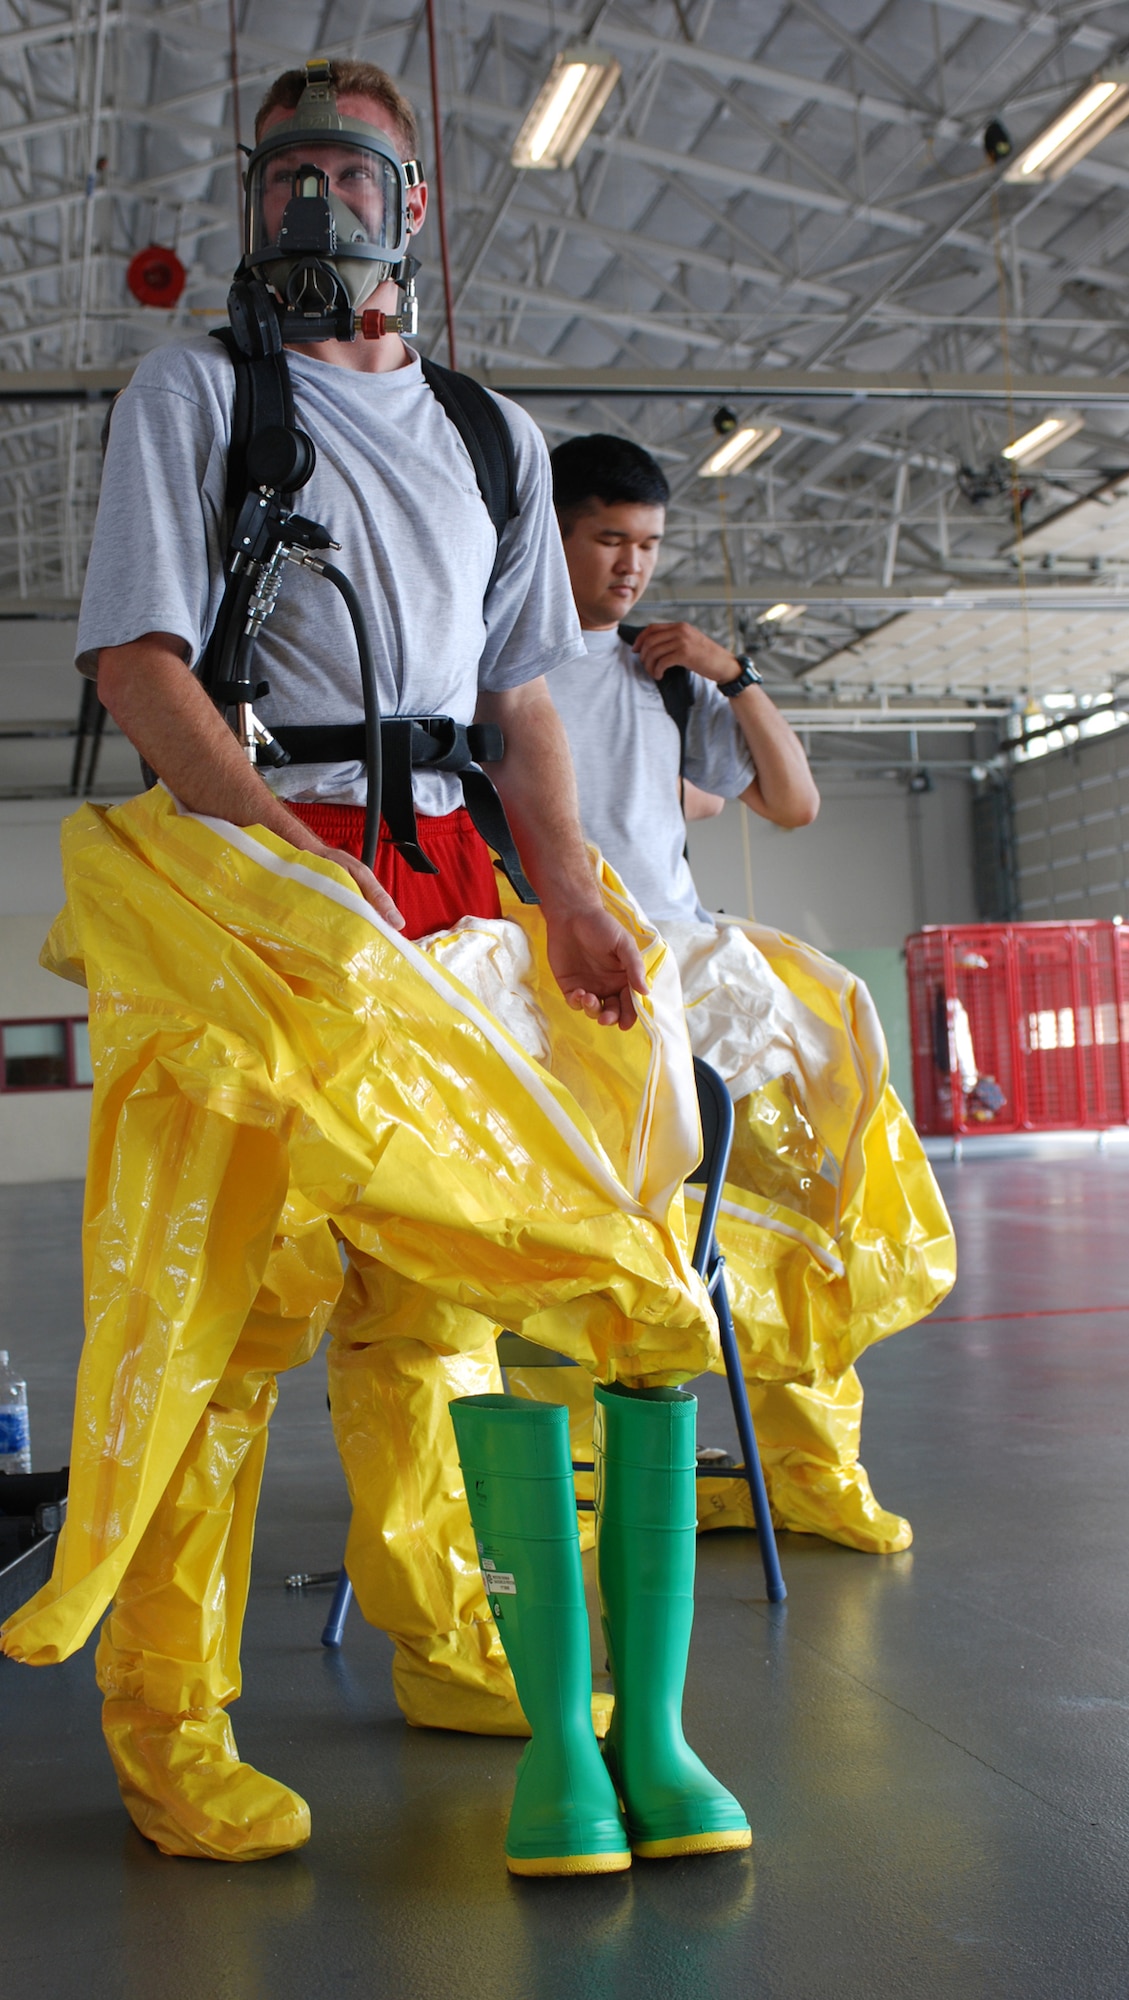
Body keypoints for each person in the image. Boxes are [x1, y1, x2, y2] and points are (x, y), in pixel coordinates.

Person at [1, 67, 748, 1874]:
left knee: (426, 1296)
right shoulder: (200, 394)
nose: (319, 209)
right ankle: (170, 1722)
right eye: (289, 179)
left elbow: (518, 707)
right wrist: (272, 852)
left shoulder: (491, 432)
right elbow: (140, 663)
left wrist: (564, 892)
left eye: (354, 175)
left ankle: (447, 1627)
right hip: (253, 866)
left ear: (413, 210)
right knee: (227, 1304)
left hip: (443, 874)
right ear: (254, 206)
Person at [523, 432, 956, 1555]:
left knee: (798, 1192)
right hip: (547, 968)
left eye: (649, 543)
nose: (631, 565)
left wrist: (734, 674)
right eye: (607, 538)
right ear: (552, 531)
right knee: (565, 1226)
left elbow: (793, 801)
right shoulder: (493, 668)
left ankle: (812, 1467)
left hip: (692, 967)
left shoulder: (661, 680)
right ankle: (565, 1479)